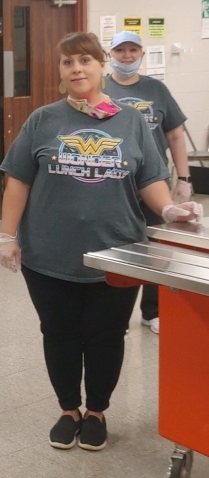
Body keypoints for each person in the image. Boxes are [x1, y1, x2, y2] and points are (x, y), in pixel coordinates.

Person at [0, 32, 203, 452]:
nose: (77, 69)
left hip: (118, 254)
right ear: (60, 71)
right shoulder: (43, 120)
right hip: (49, 254)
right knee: (58, 332)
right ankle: (69, 408)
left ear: (100, 65)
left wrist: (167, 210)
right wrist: (6, 236)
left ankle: (97, 412)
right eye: (69, 62)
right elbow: (17, 179)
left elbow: (149, 179)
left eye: (86, 61)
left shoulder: (129, 120)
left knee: (106, 335)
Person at [103, 31, 191, 335]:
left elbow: (175, 136)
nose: (127, 56)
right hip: (114, 183)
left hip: (154, 182)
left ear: (141, 54)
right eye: (120, 50)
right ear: (110, 54)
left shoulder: (157, 89)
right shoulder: (100, 87)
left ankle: (152, 311)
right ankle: (115, 314)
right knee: (116, 247)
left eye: (133, 50)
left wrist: (184, 179)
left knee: (156, 247)